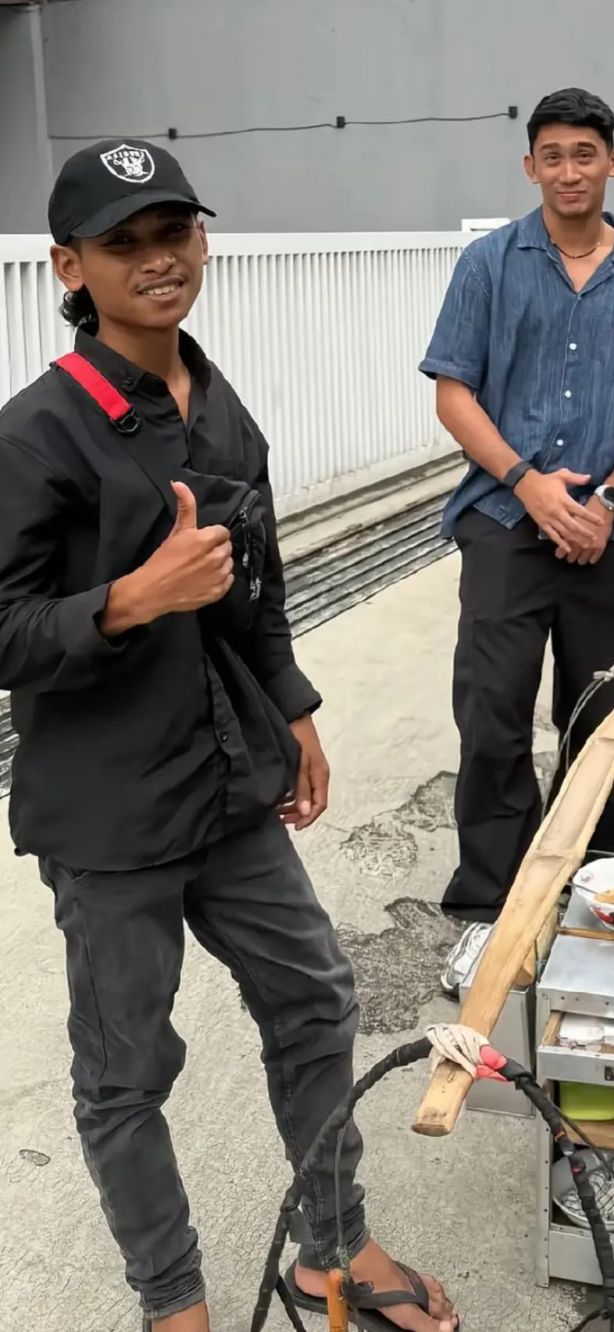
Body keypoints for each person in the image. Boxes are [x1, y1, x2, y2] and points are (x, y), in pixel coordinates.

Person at [0, 140, 457, 1332]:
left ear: (201, 241)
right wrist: (127, 600)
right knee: (126, 1071)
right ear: (70, 267)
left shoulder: (218, 404)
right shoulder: (36, 434)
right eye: (123, 243)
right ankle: (175, 1304)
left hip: (228, 783)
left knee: (315, 997)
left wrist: (293, 706)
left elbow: (258, 587)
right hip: (111, 817)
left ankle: (332, 1252)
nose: (157, 259)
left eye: (174, 233)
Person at [419, 88, 614, 977]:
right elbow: (454, 392)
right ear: (530, 166)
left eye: (586, 153)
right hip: (505, 518)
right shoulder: (489, 264)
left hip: (610, 530)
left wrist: (606, 501)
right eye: (554, 155)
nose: (570, 171)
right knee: (492, 716)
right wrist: (529, 485)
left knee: (604, 720)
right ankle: (490, 910)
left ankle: (599, 902)